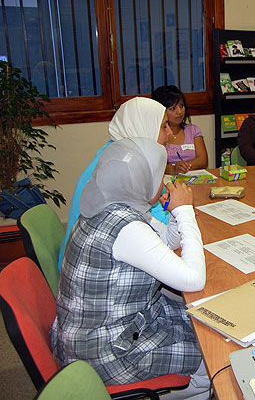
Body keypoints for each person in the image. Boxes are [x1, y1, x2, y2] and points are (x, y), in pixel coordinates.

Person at [50, 137, 210, 399]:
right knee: (210, 355)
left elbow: (169, 241)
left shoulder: (110, 203)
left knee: (199, 321)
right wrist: (185, 211)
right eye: (160, 173)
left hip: (94, 330)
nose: (165, 178)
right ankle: (165, 392)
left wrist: (172, 211)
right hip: (105, 351)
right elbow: (193, 279)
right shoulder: (127, 227)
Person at [57, 97, 171, 271]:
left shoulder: (121, 152)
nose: (170, 132)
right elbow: (152, 222)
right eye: (164, 126)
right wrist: (180, 213)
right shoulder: (124, 163)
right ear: (144, 127)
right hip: (94, 271)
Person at [152, 85, 208, 174]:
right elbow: (155, 165)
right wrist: (174, 169)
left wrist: (183, 166)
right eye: (172, 108)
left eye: (181, 106)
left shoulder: (193, 130)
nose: (179, 112)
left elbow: (203, 161)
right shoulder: (156, 135)